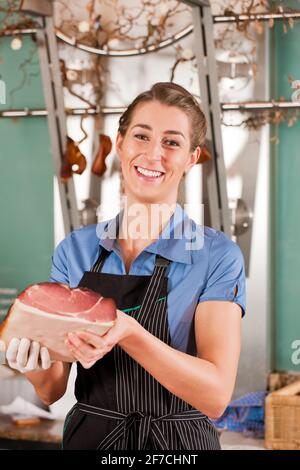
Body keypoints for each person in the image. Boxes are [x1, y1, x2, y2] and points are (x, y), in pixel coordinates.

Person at [5, 82, 246, 450]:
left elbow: (214, 396)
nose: (153, 154)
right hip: (92, 441)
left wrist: (129, 333)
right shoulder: (77, 250)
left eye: (172, 142)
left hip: (178, 447)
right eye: (141, 136)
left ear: (191, 158)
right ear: (120, 144)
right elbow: (53, 389)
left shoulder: (217, 256)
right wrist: (31, 361)